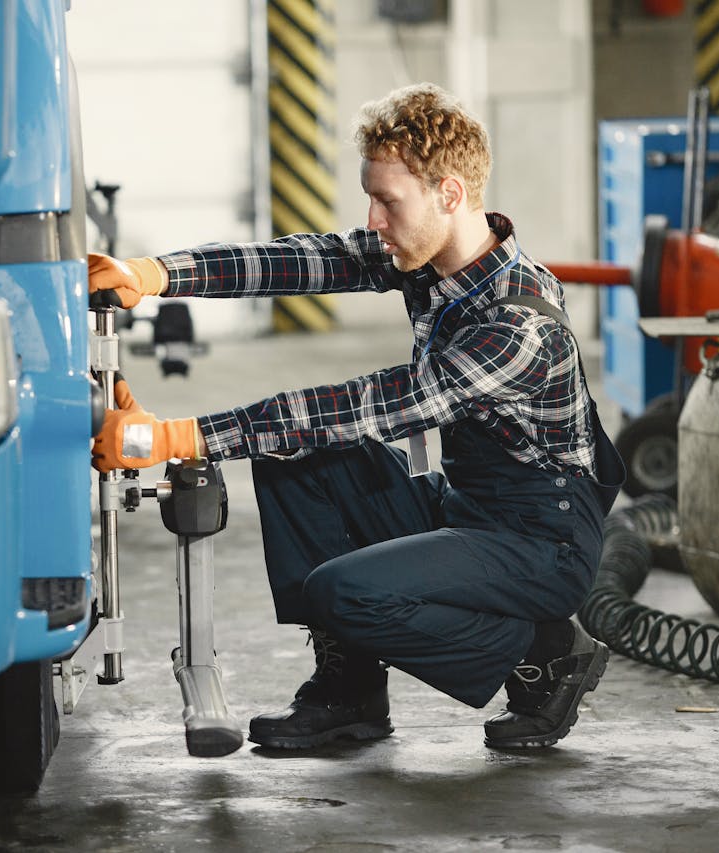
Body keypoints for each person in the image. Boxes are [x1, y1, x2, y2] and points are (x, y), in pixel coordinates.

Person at [88, 83, 625, 751]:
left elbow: (372, 406)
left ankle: (545, 652)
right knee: (295, 460)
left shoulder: (518, 325)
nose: (372, 218)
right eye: (371, 197)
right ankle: (350, 694)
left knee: (344, 590)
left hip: (542, 543)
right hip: (471, 508)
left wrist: (179, 435)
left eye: (387, 201)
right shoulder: (431, 257)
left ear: (449, 194)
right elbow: (297, 261)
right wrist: (157, 273)